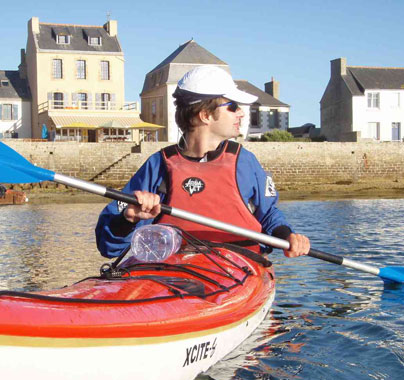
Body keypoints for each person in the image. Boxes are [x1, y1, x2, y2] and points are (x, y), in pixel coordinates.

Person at [96, 65, 310, 258]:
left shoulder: (245, 162)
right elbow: (108, 247)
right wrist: (128, 218)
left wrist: (287, 236)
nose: (241, 114)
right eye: (233, 106)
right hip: (173, 271)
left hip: (238, 268)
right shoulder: (158, 166)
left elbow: (269, 214)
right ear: (205, 115)